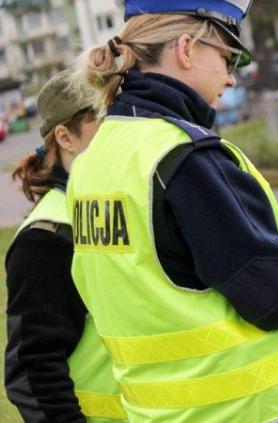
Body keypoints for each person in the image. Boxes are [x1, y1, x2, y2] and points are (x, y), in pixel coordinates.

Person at [68, 1, 278, 421]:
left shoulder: (94, 161)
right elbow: (276, 294)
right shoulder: (186, 158)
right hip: (237, 410)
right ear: (186, 48)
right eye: (227, 56)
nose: (232, 77)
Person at [5, 71, 128, 422]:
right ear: (65, 137)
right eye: (104, 125)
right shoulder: (46, 237)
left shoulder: (116, 205)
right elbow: (33, 372)